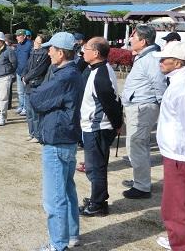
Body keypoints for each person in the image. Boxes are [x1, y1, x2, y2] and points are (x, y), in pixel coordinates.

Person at [30, 32, 84, 251]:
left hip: (57, 139)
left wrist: (35, 91)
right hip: (67, 138)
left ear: (61, 52)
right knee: (67, 190)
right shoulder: (71, 72)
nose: (48, 52)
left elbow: (37, 99)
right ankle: (71, 235)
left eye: (51, 49)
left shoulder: (65, 76)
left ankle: (58, 244)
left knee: (54, 198)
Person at [152, 42, 185, 251]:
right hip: (178, 152)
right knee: (180, 201)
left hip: (182, 154)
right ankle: (179, 239)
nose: (160, 62)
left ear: (177, 63)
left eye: (164, 59)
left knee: (176, 204)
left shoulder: (184, 88)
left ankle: (180, 244)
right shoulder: (181, 82)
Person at [78, 37, 123, 217]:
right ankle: (98, 199)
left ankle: (97, 204)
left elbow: (110, 103)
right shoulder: (99, 69)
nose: (83, 51)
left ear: (96, 53)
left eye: (86, 48)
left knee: (95, 167)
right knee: (97, 165)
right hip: (97, 127)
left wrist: (117, 124)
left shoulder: (100, 75)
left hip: (97, 128)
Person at [121, 24, 167, 199]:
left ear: (144, 41)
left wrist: (163, 108)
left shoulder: (151, 58)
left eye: (134, 37)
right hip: (138, 106)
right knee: (135, 145)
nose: (130, 39)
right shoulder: (144, 56)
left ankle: (142, 186)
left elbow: (159, 84)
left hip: (143, 107)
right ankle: (140, 180)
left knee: (137, 144)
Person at [21, 33, 50, 142]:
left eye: (38, 42)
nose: (35, 43)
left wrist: (27, 78)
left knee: (35, 112)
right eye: (35, 41)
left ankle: (38, 135)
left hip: (37, 84)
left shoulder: (45, 55)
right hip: (28, 84)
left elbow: (39, 70)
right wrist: (23, 76)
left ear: (43, 44)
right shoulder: (33, 52)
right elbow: (27, 66)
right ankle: (31, 133)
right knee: (28, 111)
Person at [0, 31, 17, 126]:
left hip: (5, 76)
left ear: (1, 41)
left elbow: (14, 63)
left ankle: (3, 116)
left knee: (4, 97)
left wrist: (10, 73)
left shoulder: (9, 50)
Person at [14, 29, 33, 116]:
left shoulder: (30, 45)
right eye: (16, 36)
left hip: (26, 73)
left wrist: (28, 72)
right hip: (19, 71)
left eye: (19, 36)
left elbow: (31, 60)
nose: (17, 37)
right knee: (20, 91)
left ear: (24, 36)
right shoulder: (18, 45)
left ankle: (25, 108)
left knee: (26, 91)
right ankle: (21, 105)